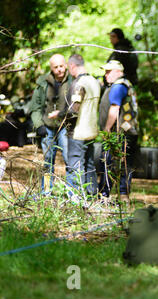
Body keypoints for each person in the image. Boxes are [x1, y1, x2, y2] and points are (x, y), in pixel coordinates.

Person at [28, 53, 72, 193]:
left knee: (69, 159)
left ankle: (73, 193)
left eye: (61, 66)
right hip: (47, 128)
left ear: (66, 65)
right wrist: (39, 125)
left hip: (66, 127)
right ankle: (46, 191)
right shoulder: (43, 83)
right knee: (47, 161)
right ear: (51, 68)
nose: (59, 69)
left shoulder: (74, 81)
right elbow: (35, 107)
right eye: (56, 67)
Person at [98, 60, 139, 204]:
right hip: (130, 131)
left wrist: (107, 129)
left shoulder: (118, 86)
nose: (106, 75)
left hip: (119, 133)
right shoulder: (126, 85)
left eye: (109, 72)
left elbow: (114, 109)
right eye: (105, 72)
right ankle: (124, 196)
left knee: (108, 163)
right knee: (125, 165)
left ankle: (104, 195)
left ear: (118, 72)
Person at [60, 54, 100, 199]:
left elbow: (73, 111)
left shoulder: (79, 84)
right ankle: (92, 195)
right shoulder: (94, 81)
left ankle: (75, 197)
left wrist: (60, 115)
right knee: (89, 164)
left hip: (78, 132)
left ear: (72, 66)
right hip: (92, 130)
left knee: (75, 165)